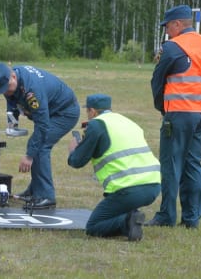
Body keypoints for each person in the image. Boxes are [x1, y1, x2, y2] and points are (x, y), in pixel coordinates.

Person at [146, 4, 201, 228]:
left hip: (179, 112)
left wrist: (162, 109)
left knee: (171, 164)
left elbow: (157, 81)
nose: (166, 31)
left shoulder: (173, 46)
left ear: (178, 24)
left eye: (168, 26)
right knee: (192, 164)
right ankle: (192, 217)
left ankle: (166, 216)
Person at [68, 94, 161, 241]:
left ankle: (127, 222)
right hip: (153, 185)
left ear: (92, 111)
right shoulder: (127, 121)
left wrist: (73, 150)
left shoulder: (96, 125)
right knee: (120, 206)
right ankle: (132, 215)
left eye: (88, 112)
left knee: (93, 226)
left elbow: (77, 161)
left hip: (128, 189)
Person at [0, 62, 80, 209]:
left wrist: (29, 155)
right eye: (2, 89)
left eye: (7, 88)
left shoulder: (32, 90)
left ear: (13, 77)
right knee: (37, 145)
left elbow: (42, 125)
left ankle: (46, 196)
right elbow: (12, 99)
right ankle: (34, 191)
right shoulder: (11, 79)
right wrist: (13, 123)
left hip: (65, 112)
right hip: (51, 111)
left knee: (40, 147)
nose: (6, 92)